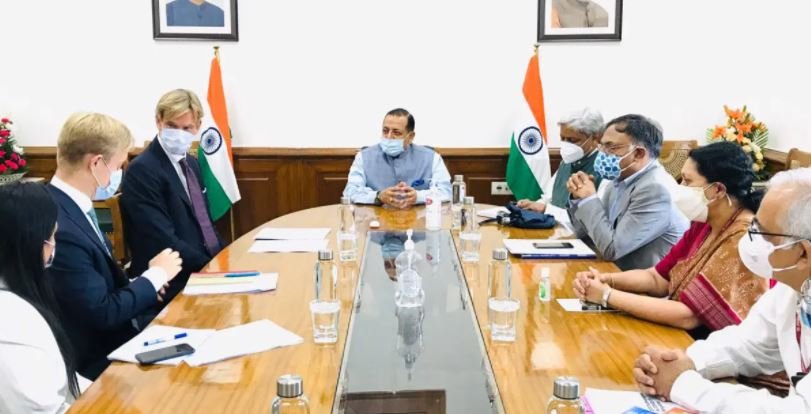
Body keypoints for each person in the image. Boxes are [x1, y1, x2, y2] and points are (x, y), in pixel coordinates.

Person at [632, 168, 811, 413]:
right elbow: (749, 344)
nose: (751, 239)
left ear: (803, 253)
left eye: (763, 233)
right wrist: (686, 361)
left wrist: (683, 385)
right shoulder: (793, 287)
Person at [573, 142, 769, 337]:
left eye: (687, 181)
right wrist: (606, 280)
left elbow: (689, 316)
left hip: (712, 343)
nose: (681, 187)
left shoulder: (743, 237)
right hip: (683, 333)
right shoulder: (705, 223)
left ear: (717, 190)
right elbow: (658, 278)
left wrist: (607, 295)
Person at [47, 112, 183, 380]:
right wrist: (157, 276)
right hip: (96, 360)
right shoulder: (60, 226)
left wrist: (142, 283)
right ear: (97, 163)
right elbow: (101, 312)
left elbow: (91, 284)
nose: (120, 173)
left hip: (113, 336)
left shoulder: (69, 205)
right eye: (120, 165)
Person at [121, 89, 225, 305]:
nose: (179, 134)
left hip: (202, 272)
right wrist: (211, 267)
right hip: (172, 281)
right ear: (158, 122)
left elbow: (205, 225)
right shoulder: (142, 170)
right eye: (172, 126)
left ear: (198, 126)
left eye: (186, 128)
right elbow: (162, 240)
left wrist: (227, 257)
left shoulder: (192, 164)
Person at [0, 183, 86, 413]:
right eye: (52, 236)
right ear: (35, 243)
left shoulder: (19, 296)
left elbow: (69, 382)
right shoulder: (12, 318)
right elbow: (40, 408)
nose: (54, 246)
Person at [567, 114, 689, 270]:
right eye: (601, 146)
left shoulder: (655, 189)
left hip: (645, 282)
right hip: (614, 272)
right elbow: (586, 235)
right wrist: (579, 199)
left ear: (638, 153)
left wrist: (589, 199)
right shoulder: (617, 181)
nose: (602, 154)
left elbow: (612, 250)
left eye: (611, 147)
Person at [343, 108, 452, 208]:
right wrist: (378, 196)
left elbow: (446, 191)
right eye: (385, 131)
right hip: (376, 219)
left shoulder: (431, 158)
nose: (389, 137)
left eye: (396, 132)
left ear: (411, 137)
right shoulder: (363, 157)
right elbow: (350, 192)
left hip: (419, 219)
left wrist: (418, 197)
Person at [517, 107, 604, 213]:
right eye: (562, 138)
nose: (566, 144)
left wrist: (546, 209)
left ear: (595, 138)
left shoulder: (604, 170)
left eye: (572, 140)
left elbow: (596, 216)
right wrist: (533, 205)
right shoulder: (566, 162)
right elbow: (549, 199)